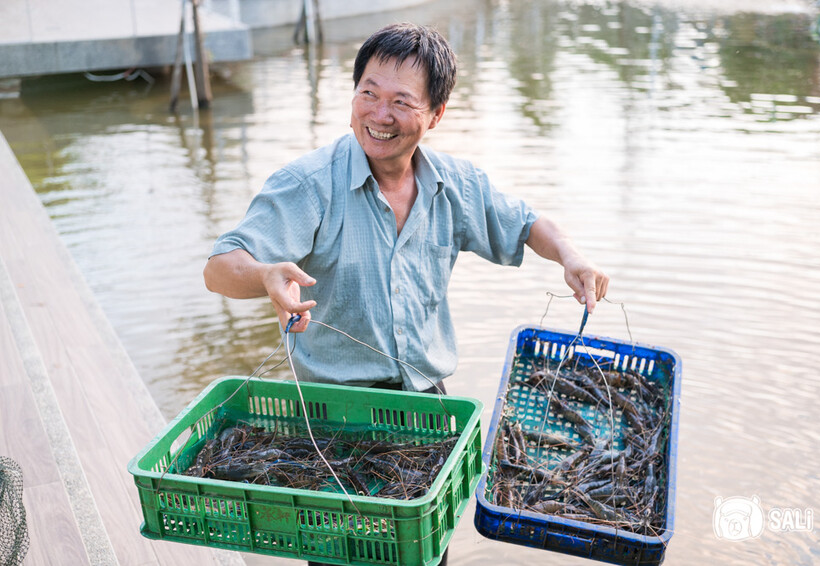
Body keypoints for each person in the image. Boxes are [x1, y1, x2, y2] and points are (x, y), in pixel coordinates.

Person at [203, 22, 608, 564]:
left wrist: (571, 256)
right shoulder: (308, 185)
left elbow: (527, 222)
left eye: (401, 101)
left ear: (435, 115)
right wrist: (266, 275)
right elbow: (220, 266)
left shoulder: (455, 186)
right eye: (368, 93)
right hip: (332, 423)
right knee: (341, 555)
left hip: (426, 418)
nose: (379, 114)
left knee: (424, 555)